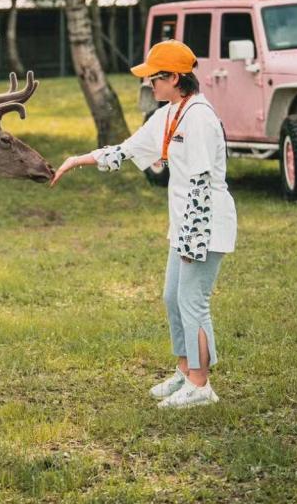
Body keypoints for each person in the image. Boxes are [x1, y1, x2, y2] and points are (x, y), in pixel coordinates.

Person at [50, 39, 237, 409]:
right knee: (172, 297)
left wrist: (192, 241)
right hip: (182, 224)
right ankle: (185, 371)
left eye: (154, 79)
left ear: (175, 77)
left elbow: (201, 182)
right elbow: (128, 150)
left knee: (192, 300)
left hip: (204, 225)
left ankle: (200, 386)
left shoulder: (198, 117)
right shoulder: (168, 113)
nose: (149, 85)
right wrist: (79, 159)